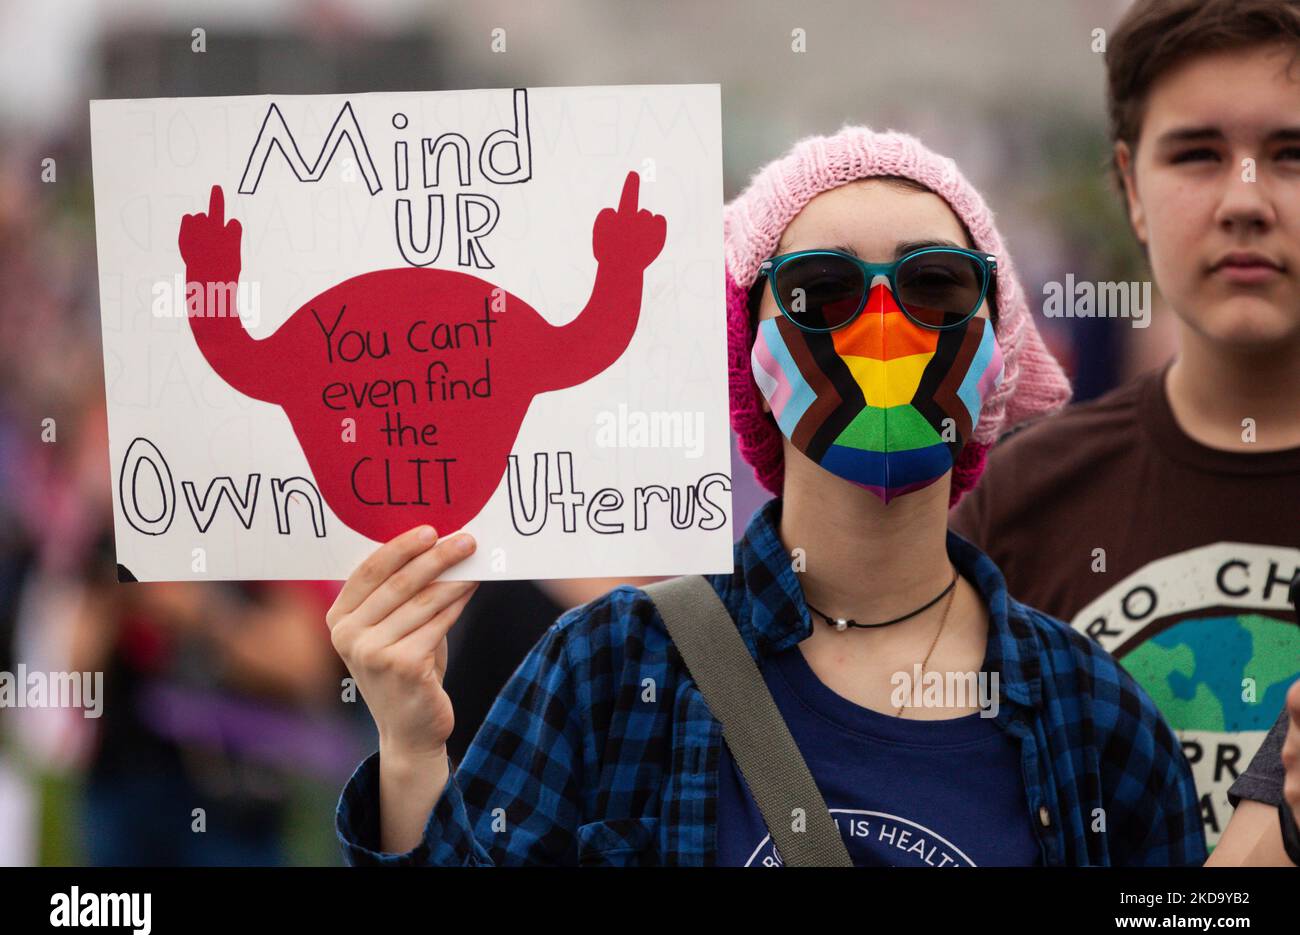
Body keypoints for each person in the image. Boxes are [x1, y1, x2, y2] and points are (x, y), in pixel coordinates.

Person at [329, 126, 1205, 866]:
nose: (883, 327)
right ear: (751, 355)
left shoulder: (1093, 715)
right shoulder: (610, 667)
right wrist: (411, 752)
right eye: (820, 291)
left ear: (998, 352)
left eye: (936, 285)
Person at [950, 0, 1300, 855]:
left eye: (1293, 154)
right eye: (1197, 155)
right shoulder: (1016, 502)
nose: (1244, 202)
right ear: (1132, 189)